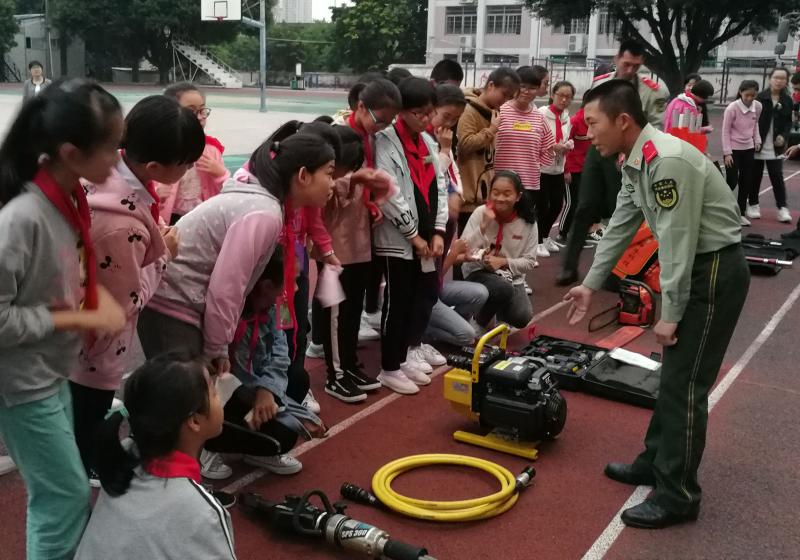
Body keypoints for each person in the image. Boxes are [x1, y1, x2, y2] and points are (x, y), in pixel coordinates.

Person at [564, 79, 749, 529]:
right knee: (673, 376)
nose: (588, 133)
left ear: (623, 120)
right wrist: (590, 284)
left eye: (593, 123)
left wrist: (671, 314)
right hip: (696, 268)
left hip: (711, 271)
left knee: (686, 385)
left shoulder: (665, 161)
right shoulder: (639, 159)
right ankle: (655, 460)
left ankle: (678, 494)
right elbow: (621, 224)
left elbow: (677, 242)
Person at [0, 79, 127, 559]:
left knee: (61, 492)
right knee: (65, 496)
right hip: (20, 381)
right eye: (111, 147)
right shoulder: (22, 218)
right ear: (72, 153)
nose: (118, 158)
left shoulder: (70, 198)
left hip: (51, 370)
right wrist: (75, 318)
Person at [70, 95, 204, 479]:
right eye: (185, 164)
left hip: (73, 333)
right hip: (94, 348)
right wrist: (163, 256)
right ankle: (85, 468)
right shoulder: (120, 224)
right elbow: (124, 303)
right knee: (85, 414)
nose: (190, 169)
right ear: (154, 167)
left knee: (79, 408)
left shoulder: (107, 173)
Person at [75, 356, 234, 559]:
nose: (219, 396)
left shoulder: (125, 453)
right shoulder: (202, 511)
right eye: (214, 392)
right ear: (194, 421)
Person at [556, 39, 667, 285]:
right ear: (617, 59)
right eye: (626, 64)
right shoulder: (601, 84)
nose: (630, 70)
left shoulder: (653, 91)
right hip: (600, 151)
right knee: (585, 206)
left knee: (622, 212)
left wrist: (633, 151)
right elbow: (589, 116)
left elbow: (656, 127)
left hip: (631, 154)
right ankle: (568, 267)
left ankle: (616, 270)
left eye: (636, 66)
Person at [207, 246, 325, 477]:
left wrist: (269, 390)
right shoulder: (234, 316)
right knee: (284, 437)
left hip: (255, 385)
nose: (297, 288)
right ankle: (207, 446)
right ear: (267, 286)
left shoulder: (277, 305)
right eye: (291, 282)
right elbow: (237, 378)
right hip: (229, 391)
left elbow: (281, 350)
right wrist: (294, 415)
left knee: (298, 377)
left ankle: (253, 442)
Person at [373, 77, 449, 394]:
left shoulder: (427, 141)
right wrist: (414, 236)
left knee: (420, 296)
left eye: (431, 112)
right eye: (420, 113)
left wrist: (439, 231)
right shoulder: (385, 142)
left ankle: (404, 356)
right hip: (399, 241)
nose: (427, 119)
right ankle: (389, 367)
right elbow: (389, 194)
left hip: (426, 237)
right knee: (397, 302)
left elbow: (439, 186)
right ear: (402, 111)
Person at [310, 126, 394, 403]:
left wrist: (373, 207)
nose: (347, 172)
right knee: (335, 317)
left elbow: (365, 197)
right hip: (334, 256)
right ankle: (335, 376)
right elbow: (330, 200)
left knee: (352, 314)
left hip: (360, 252)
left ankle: (348, 365)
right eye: (343, 167)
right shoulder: (326, 180)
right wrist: (353, 179)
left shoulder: (353, 175)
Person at [461, 171, 537, 329]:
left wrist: (503, 262)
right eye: (495, 193)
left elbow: (530, 262)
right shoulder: (480, 213)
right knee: (502, 288)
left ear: (518, 196)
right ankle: (478, 324)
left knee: (522, 316)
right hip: (477, 271)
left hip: (511, 277)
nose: (500, 198)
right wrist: (483, 227)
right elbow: (463, 249)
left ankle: (495, 310)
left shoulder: (528, 222)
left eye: (507, 194)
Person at [456, 67, 520, 233]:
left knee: (482, 240)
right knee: (467, 242)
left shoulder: (492, 112)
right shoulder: (469, 110)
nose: (505, 100)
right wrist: (491, 130)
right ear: (491, 85)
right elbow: (465, 144)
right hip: (469, 197)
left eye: (510, 97)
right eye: (504, 94)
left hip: (485, 193)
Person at [158, 82, 230, 224]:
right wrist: (157, 192)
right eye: (191, 111)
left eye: (202, 110)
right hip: (169, 218)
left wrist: (221, 174)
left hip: (204, 217)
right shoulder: (160, 149)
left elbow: (227, 192)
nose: (200, 116)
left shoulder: (212, 149)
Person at [493, 66, 555, 226]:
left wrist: (532, 164)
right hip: (500, 182)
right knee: (496, 224)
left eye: (532, 87)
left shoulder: (539, 117)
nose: (526, 91)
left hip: (529, 184)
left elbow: (548, 148)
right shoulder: (500, 111)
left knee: (522, 226)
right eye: (522, 86)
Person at [748, 67, 794, 223]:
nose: (779, 81)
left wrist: (783, 136)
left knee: (777, 177)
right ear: (770, 79)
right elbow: (751, 121)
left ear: (786, 81)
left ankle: (782, 208)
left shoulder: (787, 100)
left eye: (782, 78)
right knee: (755, 176)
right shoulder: (759, 98)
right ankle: (753, 204)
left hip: (776, 147)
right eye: (776, 77)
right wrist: (754, 138)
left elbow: (788, 123)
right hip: (757, 144)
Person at [537, 81, 576, 257]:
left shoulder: (566, 118)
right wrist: (553, 146)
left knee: (557, 205)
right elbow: (536, 139)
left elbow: (565, 138)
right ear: (553, 95)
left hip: (558, 168)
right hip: (542, 169)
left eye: (568, 97)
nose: (564, 100)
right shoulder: (541, 114)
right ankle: (537, 241)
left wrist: (567, 146)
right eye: (561, 95)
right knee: (542, 207)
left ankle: (545, 236)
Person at [722, 80, 762, 225]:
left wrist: (757, 140)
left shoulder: (758, 106)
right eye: (747, 95)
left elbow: (755, 124)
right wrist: (727, 153)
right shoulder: (732, 108)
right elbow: (725, 131)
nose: (750, 98)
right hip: (733, 149)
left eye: (753, 95)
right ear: (740, 92)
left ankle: (741, 213)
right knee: (732, 181)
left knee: (746, 181)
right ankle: (722, 209)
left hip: (748, 149)